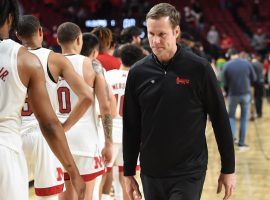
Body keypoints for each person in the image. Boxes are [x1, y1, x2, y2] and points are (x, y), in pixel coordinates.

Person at [123, 3, 236, 200]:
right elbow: (131, 125)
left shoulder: (199, 69)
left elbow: (220, 119)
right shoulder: (137, 72)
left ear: (176, 32)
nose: (155, 40)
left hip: (189, 172)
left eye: (162, 34)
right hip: (151, 171)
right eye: (151, 33)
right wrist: (128, 171)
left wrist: (228, 168)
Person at [0, 0, 87, 199]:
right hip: (11, 145)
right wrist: (72, 170)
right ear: (11, 18)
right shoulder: (27, 60)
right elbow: (49, 123)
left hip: (19, 136)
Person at [56, 22, 113, 200]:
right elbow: (105, 107)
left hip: (58, 138)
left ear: (58, 40)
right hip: (85, 140)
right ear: (80, 39)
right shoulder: (93, 66)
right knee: (86, 196)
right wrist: (109, 142)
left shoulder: (48, 64)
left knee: (64, 196)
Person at [104, 44, 144, 200]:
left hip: (110, 132)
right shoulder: (140, 80)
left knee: (105, 177)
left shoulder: (108, 76)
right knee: (128, 177)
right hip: (131, 136)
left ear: (119, 57)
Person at [223, 49, 257, 150]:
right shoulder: (247, 63)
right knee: (243, 118)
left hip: (233, 94)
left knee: (231, 117)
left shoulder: (227, 65)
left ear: (230, 55)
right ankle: (241, 144)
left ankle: (233, 137)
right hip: (245, 94)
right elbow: (254, 78)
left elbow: (224, 82)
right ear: (237, 54)